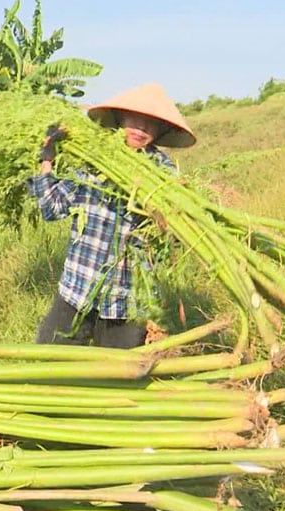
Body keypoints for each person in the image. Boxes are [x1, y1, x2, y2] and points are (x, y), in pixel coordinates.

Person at [27, 82, 196, 348]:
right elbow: (52, 208)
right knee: (47, 369)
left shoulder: (164, 174)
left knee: (120, 382)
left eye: (150, 123)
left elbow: (176, 235)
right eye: (135, 119)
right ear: (119, 117)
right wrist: (46, 159)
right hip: (78, 290)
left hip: (126, 302)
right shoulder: (94, 160)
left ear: (161, 130)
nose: (141, 129)